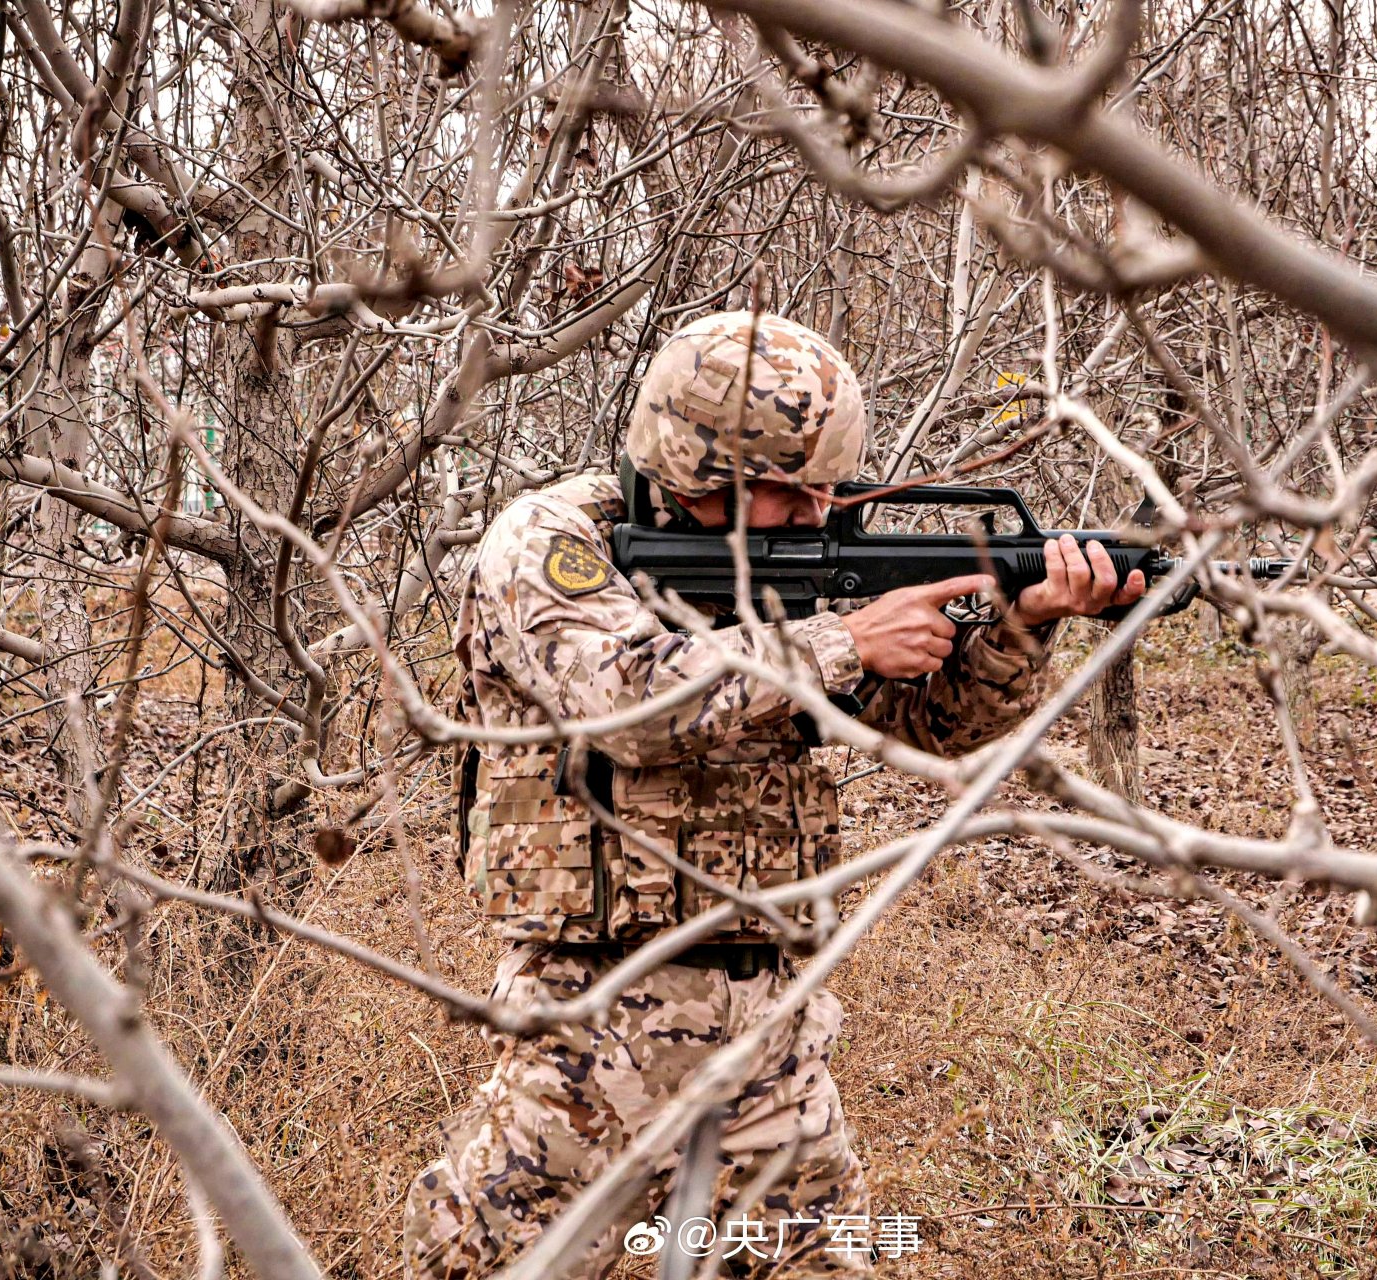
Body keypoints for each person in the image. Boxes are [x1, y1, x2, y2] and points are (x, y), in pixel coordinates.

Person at [402, 310, 1145, 1278]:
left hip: (768, 1039)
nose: (818, 510)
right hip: (591, 1038)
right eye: (787, 492)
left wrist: (1019, 624)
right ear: (694, 475)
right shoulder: (546, 547)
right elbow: (627, 696)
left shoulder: (796, 562)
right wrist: (840, 641)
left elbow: (920, 721)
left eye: (826, 486)